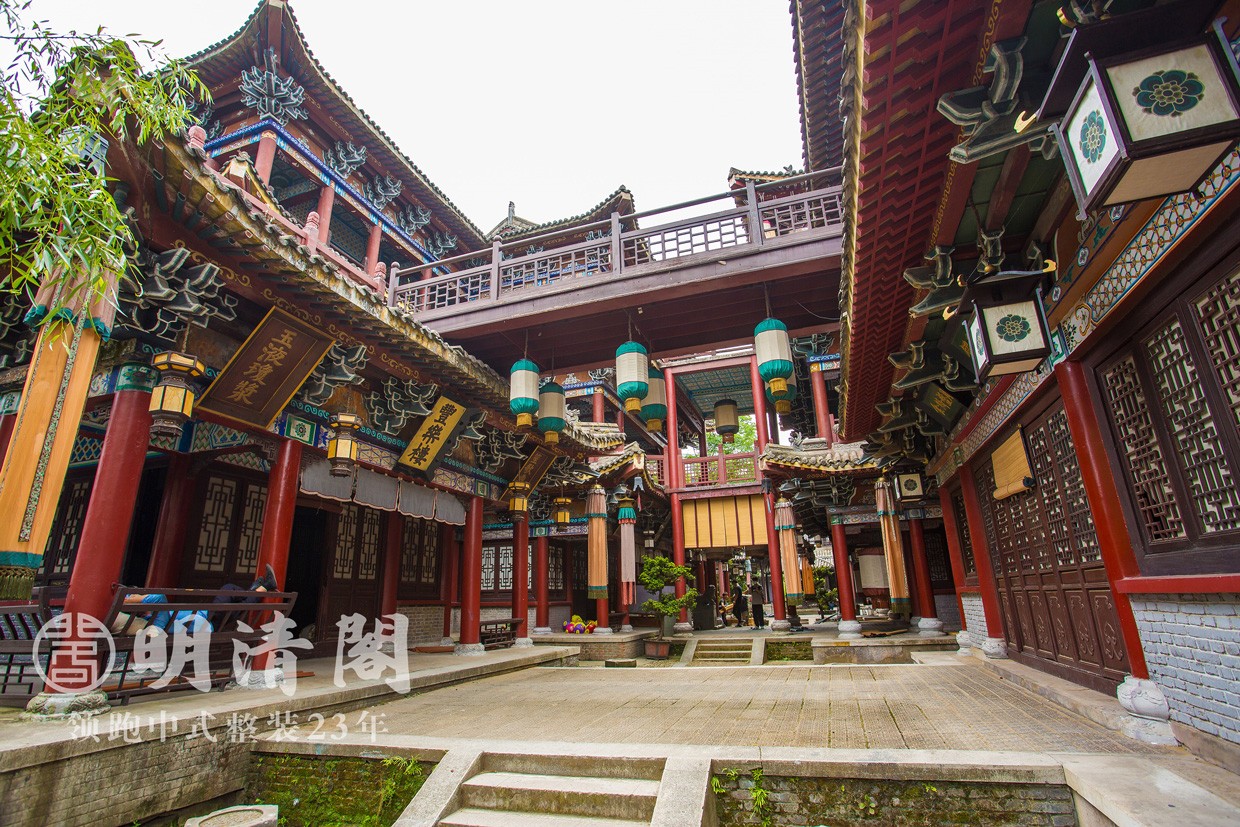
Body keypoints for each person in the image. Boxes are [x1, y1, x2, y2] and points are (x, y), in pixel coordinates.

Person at [109, 565, 278, 636]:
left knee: (236, 600)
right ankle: (258, 588)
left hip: (207, 618)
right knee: (229, 589)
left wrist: (134, 600)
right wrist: (132, 599)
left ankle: (259, 588)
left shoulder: (153, 616)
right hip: (206, 620)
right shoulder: (156, 622)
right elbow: (159, 597)